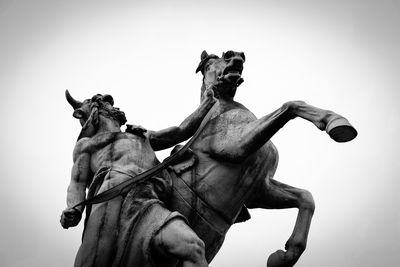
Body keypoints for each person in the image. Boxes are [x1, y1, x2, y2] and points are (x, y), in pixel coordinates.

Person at [60, 89, 215, 267]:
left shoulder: (141, 134)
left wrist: (207, 104)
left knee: (193, 248)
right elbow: (77, 183)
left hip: (148, 200)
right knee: (95, 262)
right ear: (94, 111)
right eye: (108, 104)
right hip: (111, 198)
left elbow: (179, 131)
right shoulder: (86, 145)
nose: (114, 106)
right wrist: (73, 209)